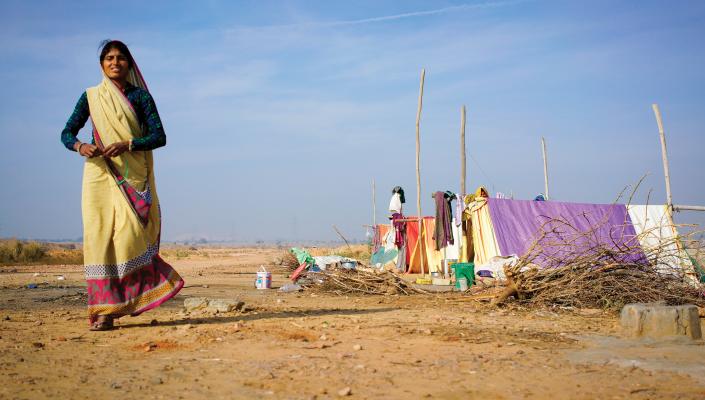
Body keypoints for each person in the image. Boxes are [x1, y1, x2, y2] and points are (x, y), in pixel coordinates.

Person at [61, 40, 184, 331]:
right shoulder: (91, 97)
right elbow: (67, 132)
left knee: (127, 238)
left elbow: (159, 136)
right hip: (99, 174)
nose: (115, 62)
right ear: (102, 64)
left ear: (129, 64)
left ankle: (134, 298)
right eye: (109, 58)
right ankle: (105, 312)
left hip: (132, 174)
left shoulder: (140, 98)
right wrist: (81, 147)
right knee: (99, 239)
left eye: (121, 58)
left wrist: (128, 144)